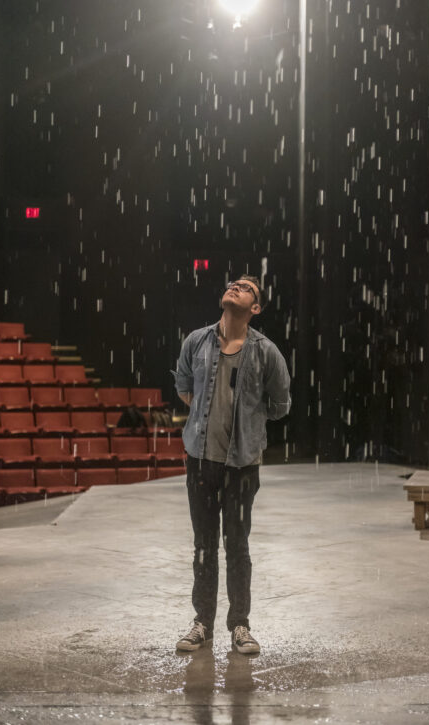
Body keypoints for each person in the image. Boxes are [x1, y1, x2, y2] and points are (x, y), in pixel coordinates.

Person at [171, 275, 291, 655]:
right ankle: (202, 623)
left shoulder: (266, 352)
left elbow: (280, 404)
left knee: (236, 546)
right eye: (232, 284)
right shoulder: (197, 341)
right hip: (201, 462)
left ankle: (240, 625)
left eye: (246, 288)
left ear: (255, 308)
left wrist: (249, 427)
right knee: (204, 547)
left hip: (242, 466)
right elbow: (184, 386)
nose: (235, 287)